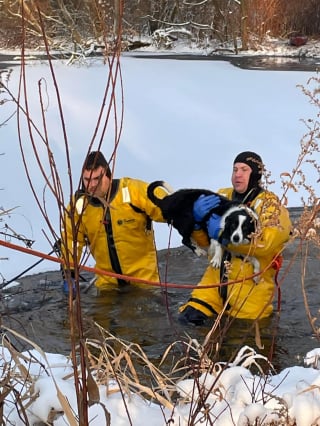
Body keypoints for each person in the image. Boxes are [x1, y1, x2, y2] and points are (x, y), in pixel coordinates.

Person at [178, 151, 292, 325]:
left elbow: (266, 244)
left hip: (250, 292)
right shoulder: (220, 197)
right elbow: (207, 245)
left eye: (244, 170)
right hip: (213, 285)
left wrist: (225, 237)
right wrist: (196, 226)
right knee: (187, 321)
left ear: (255, 174)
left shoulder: (271, 205)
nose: (237, 174)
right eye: (235, 169)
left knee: (240, 340)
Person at [60, 151, 169, 294]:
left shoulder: (133, 191)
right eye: (87, 180)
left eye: (97, 179)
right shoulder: (79, 207)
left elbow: (167, 207)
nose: (91, 185)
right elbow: (71, 239)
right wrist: (69, 274)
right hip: (107, 285)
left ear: (108, 175)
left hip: (144, 283)